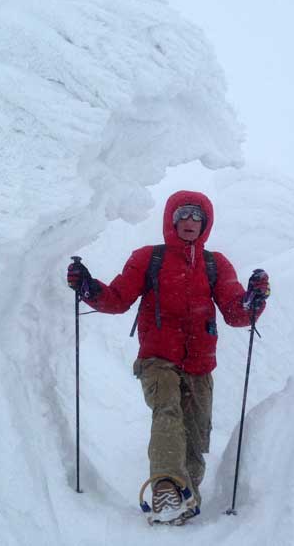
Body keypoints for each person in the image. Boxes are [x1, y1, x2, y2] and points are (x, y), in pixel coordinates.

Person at [66, 190, 270, 525]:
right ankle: (166, 488)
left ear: (205, 223)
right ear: (171, 220)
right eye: (183, 215)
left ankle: (185, 500)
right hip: (157, 358)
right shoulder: (149, 258)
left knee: (195, 437)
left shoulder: (215, 264)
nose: (190, 221)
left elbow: (236, 313)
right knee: (168, 412)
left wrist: (254, 299)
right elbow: (117, 299)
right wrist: (87, 287)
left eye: (196, 216)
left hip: (201, 365)